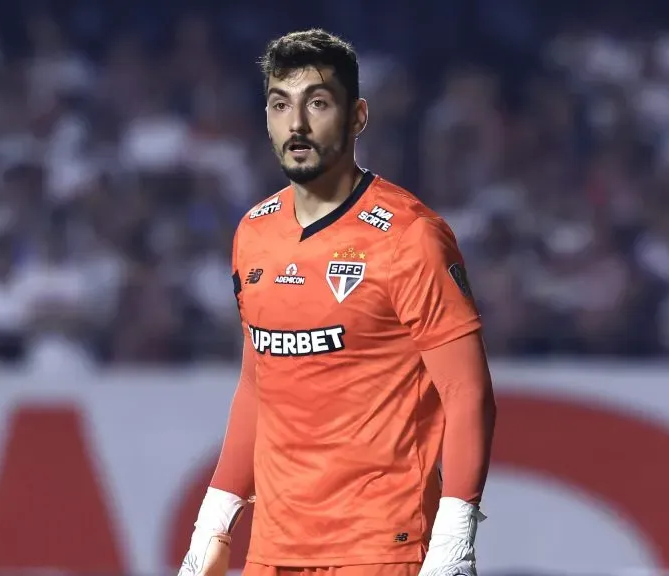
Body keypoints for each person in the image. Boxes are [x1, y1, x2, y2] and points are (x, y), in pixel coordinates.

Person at [178, 29, 496, 576]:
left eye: (317, 103)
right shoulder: (254, 232)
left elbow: (467, 392)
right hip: (274, 549)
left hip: (379, 547)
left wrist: (454, 534)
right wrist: (216, 516)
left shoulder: (410, 236)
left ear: (358, 117)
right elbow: (260, 378)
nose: (296, 124)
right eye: (281, 104)